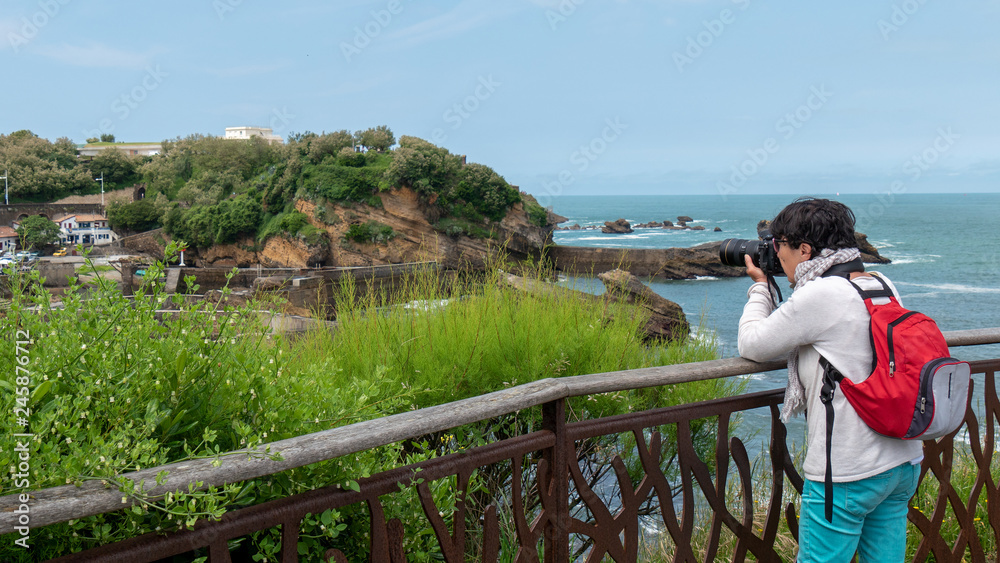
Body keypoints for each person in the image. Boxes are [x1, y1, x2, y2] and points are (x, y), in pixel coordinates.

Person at [737, 197, 922, 562]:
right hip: (901, 461)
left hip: (848, 472)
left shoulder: (820, 294)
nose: (778, 256)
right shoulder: (878, 282)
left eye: (780, 246)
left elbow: (753, 344)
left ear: (804, 250)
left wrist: (761, 287)